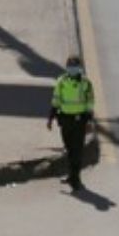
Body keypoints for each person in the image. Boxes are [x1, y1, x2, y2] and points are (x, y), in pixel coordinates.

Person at [46, 54, 94, 191]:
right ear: (67, 67)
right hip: (65, 121)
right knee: (69, 149)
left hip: (80, 121)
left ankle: (76, 179)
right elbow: (56, 100)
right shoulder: (61, 81)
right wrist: (50, 118)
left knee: (77, 151)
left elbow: (90, 103)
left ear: (80, 68)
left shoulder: (86, 83)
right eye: (70, 66)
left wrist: (90, 121)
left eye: (75, 66)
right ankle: (71, 176)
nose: (72, 69)